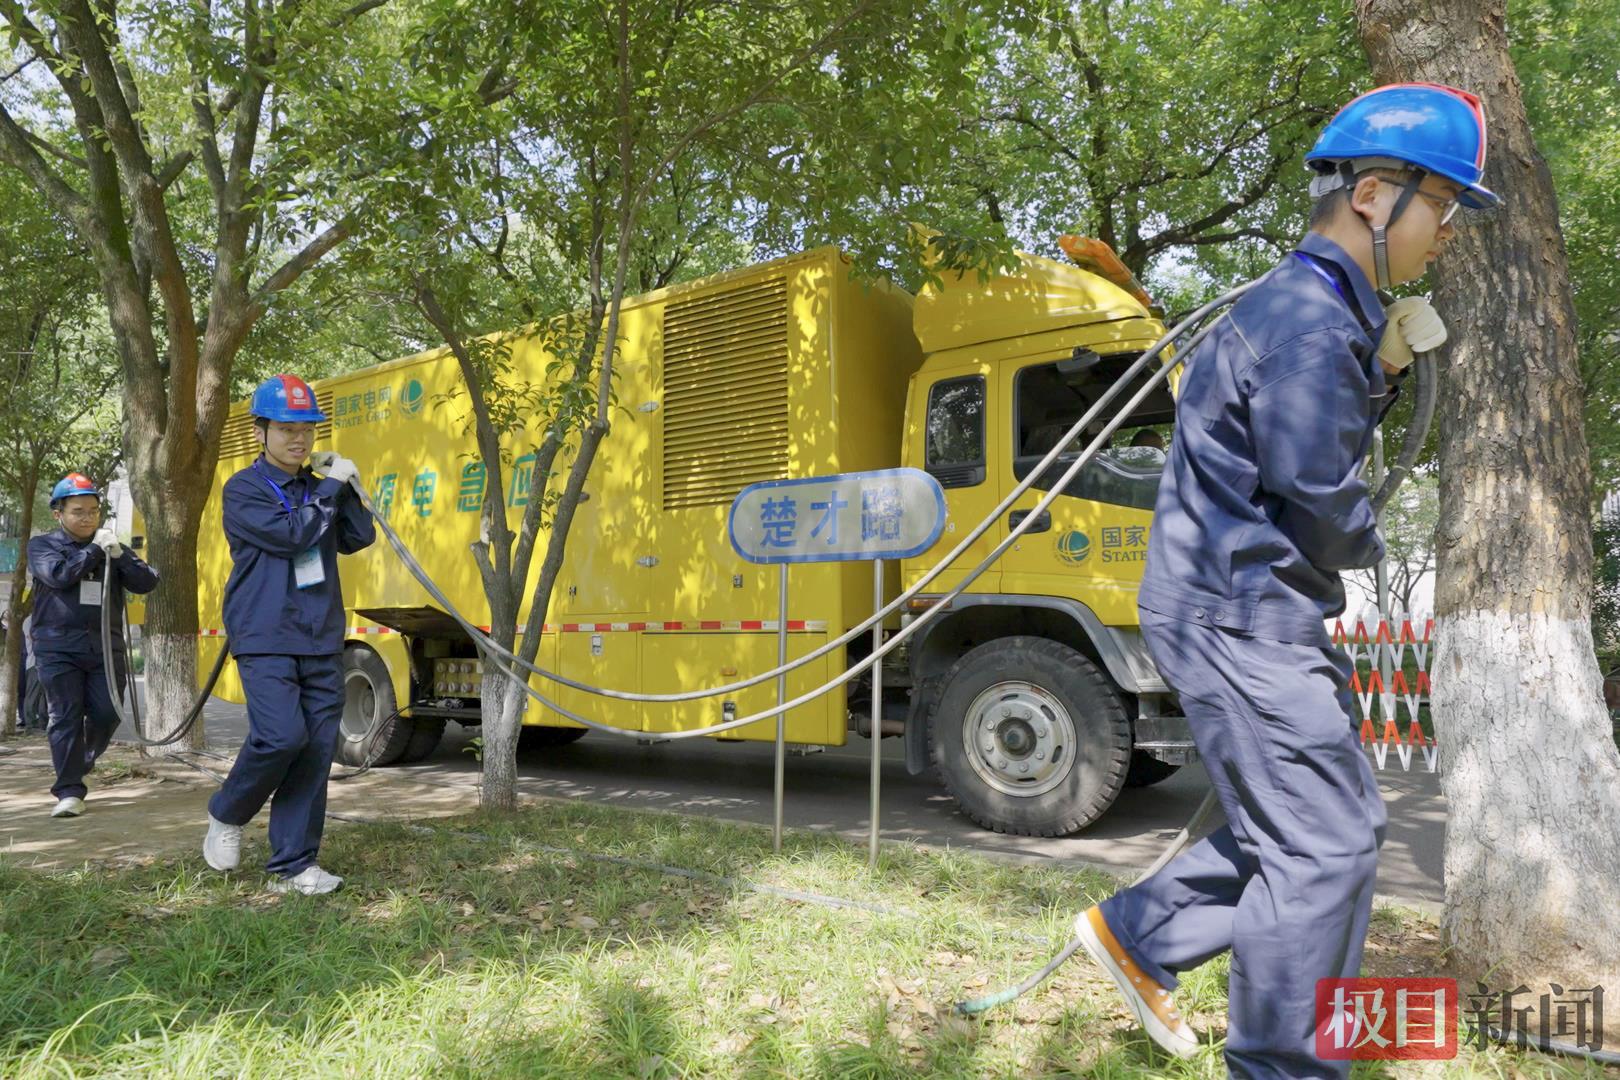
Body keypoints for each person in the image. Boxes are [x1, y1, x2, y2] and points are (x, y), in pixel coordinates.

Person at [1072, 83, 1500, 1077]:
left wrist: (1381, 371)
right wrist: (1372, 540)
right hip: (1239, 612)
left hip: (1242, 605)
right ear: (1373, 196)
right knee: (1323, 845)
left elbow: (1301, 449)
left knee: (1330, 827)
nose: (1446, 234)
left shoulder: (1314, 310)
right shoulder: (1309, 322)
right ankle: (1279, 1063)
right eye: (1442, 205)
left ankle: (1139, 936)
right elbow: (1319, 492)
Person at [202, 374, 374, 895]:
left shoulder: (316, 486)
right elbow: (292, 534)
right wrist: (329, 489)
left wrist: (350, 487)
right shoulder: (244, 489)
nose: (299, 439)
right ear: (261, 432)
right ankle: (227, 812)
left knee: (316, 749)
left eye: (306, 429)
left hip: (320, 633)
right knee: (281, 736)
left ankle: (294, 865)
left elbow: (358, 537)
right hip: (265, 632)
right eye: (286, 429)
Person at [27, 473, 160, 816]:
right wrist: (94, 551)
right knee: (65, 716)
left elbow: (147, 582)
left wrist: (120, 555)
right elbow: (59, 576)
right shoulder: (42, 546)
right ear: (58, 513)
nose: (87, 518)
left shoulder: (111, 546)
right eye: (78, 511)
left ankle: (79, 760)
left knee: (108, 711)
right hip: (57, 647)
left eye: (93, 511)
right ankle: (70, 790)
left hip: (105, 647)